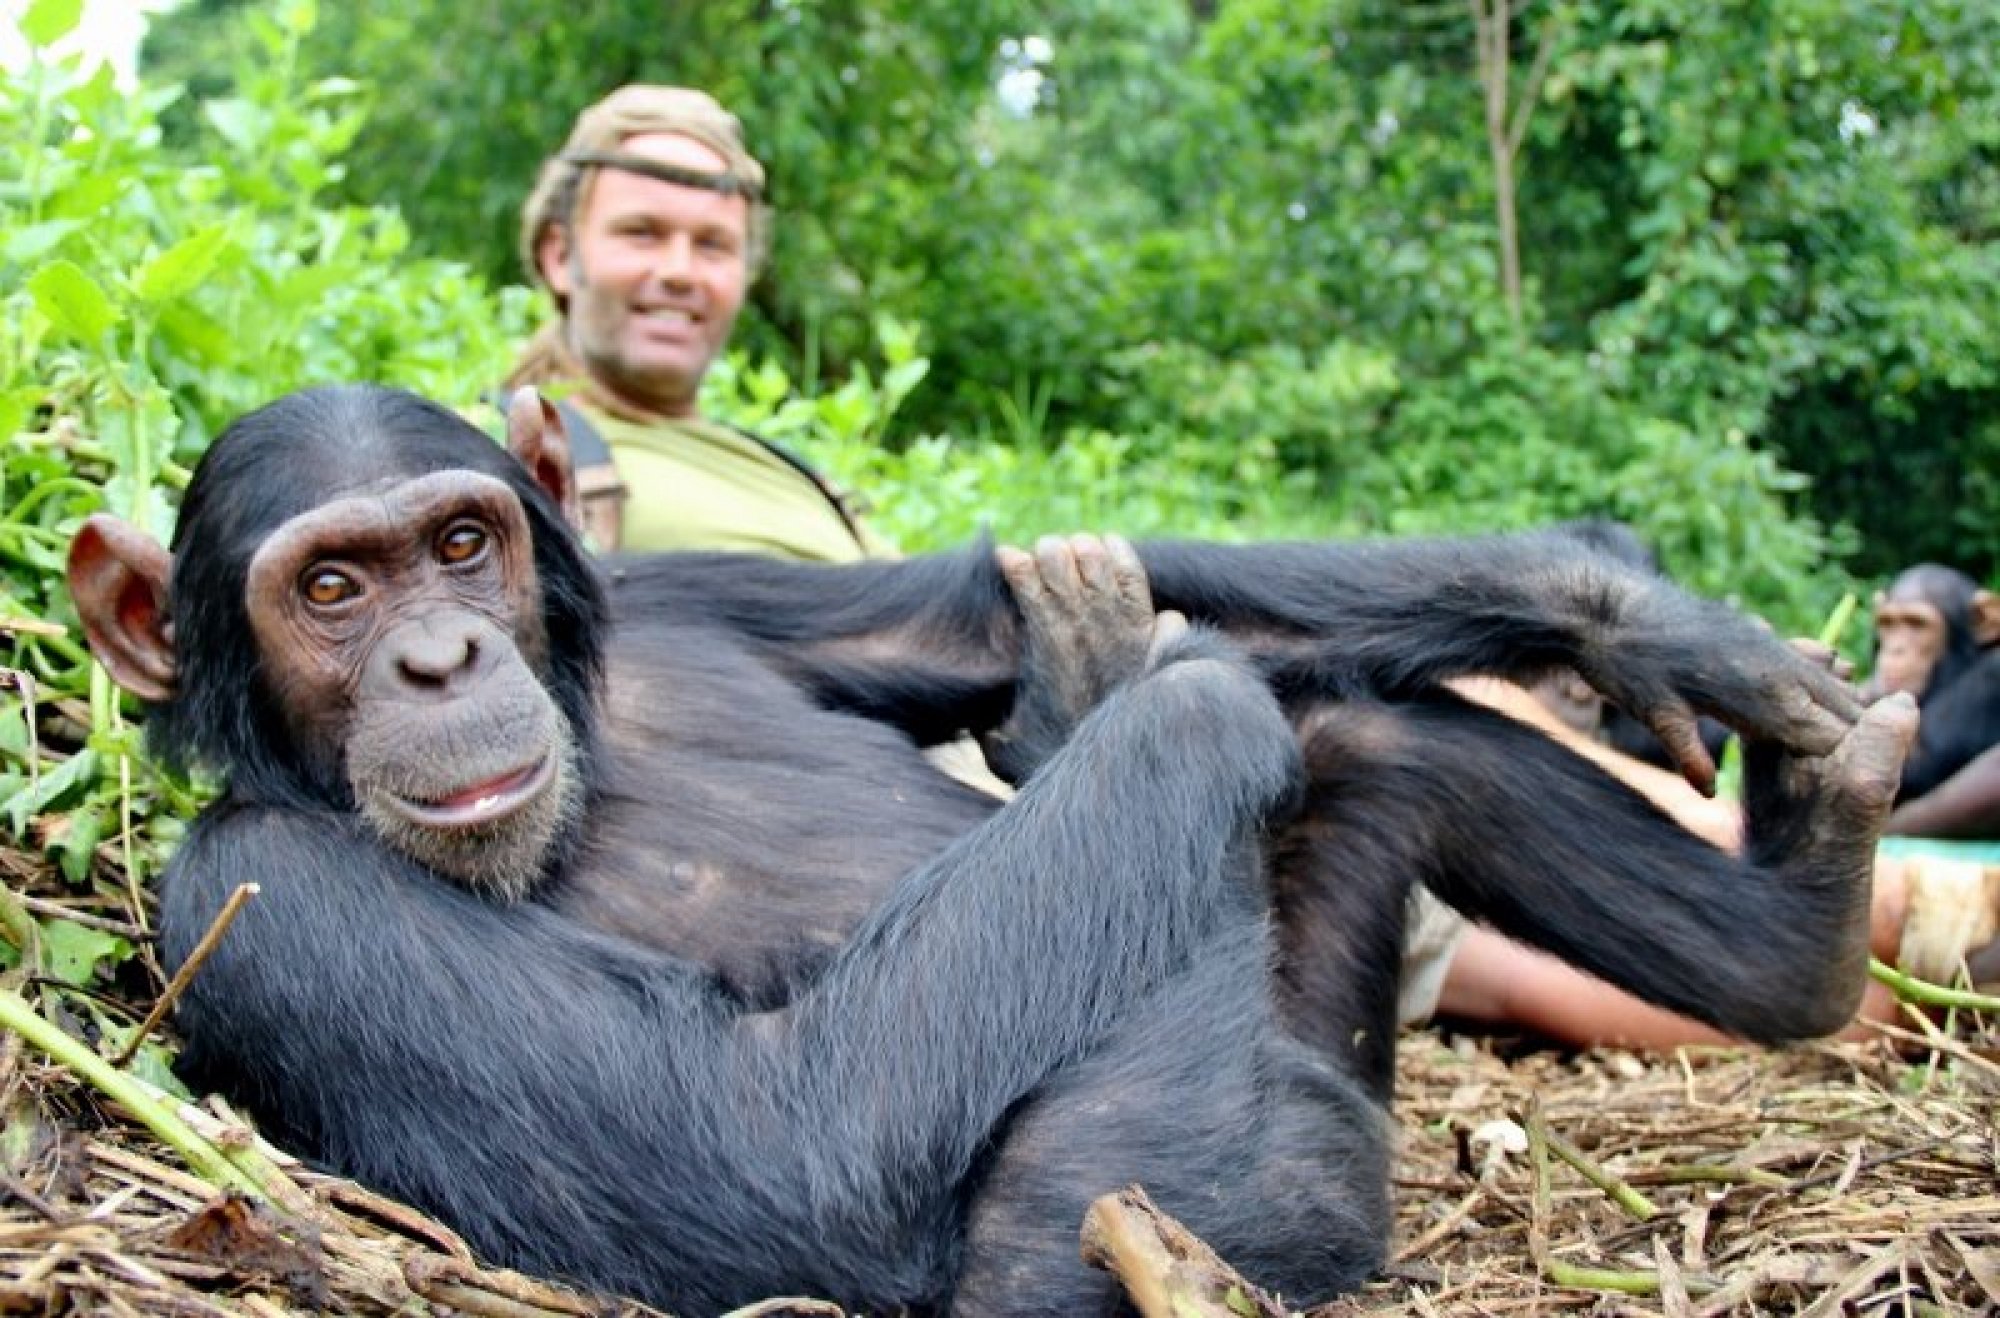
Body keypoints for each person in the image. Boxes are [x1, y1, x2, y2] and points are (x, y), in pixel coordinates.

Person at [503, 85, 1993, 1047]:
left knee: (1378, 712)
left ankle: (1790, 942)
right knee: (1356, 733)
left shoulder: (778, 464)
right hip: (910, 885)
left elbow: (957, 626)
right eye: (643, 232)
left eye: (711, 239)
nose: (681, 270)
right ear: (559, 254)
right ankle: (1871, 939)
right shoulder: (511, 480)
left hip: (981, 760)